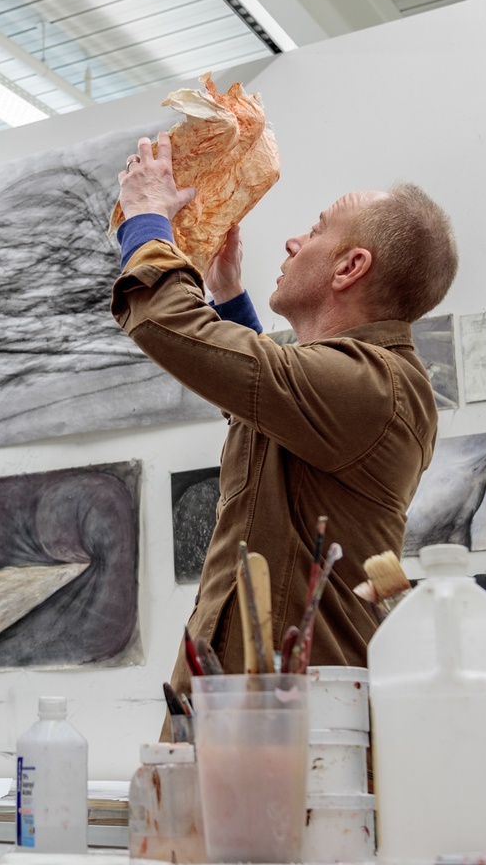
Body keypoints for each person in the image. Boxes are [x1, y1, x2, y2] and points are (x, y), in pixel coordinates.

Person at [112, 132, 458, 689]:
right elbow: (267, 405)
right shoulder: (349, 382)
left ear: (349, 268)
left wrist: (146, 220)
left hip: (299, 726)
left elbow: (170, 324)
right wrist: (227, 294)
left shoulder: (373, 385)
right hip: (246, 706)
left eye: (317, 229)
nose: (295, 242)